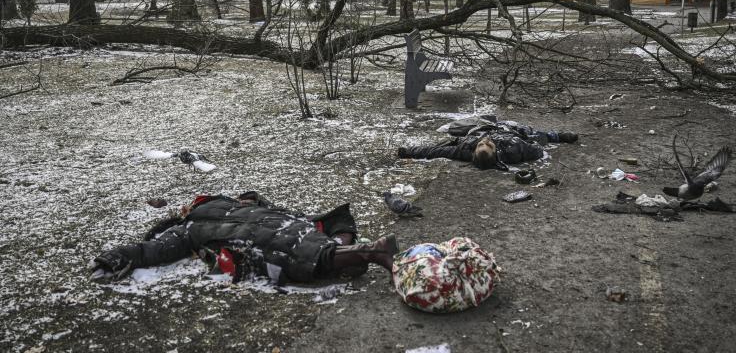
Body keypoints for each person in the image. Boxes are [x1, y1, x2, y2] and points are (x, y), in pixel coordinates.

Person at [89, 191, 398, 285]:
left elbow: (150, 250)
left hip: (254, 237)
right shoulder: (229, 203)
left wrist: (115, 255)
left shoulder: (187, 228)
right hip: (272, 225)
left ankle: (372, 252)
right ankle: (356, 252)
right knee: (304, 242)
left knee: (296, 254)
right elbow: (264, 203)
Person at [398, 115, 578, 170]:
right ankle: (558, 136)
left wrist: (409, 151)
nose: (485, 142)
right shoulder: (513, 151)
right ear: (495, 153)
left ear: (474, 150)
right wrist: (521, 139)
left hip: (482, 128)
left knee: (450, 138)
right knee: (534, 133)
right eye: (488, 145)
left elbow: (434, 151)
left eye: (481, 144)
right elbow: (538, 148)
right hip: (511, 131)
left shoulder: (465, 149)